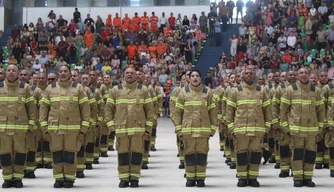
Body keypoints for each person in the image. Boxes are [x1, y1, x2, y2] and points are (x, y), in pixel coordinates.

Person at [39, 65, 90, 188]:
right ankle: (58, 178)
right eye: (60, 71)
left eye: (65, 71)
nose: (63, 73)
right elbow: (43, 109)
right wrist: (44, 127)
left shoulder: (78, 88)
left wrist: (84, 128)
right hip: (54, 129)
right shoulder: (50, 89)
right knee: (56, 155)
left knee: (70, 155)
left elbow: (85, 110)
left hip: (73, 130)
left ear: (69, 73)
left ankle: (69, 178)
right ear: (58, 73)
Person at [104, 68, 155, 188]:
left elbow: (150, 110)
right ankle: (123, 178)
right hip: (121, 130)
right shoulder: (116, 90)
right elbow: (108, 109)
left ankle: (135, 177)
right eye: (127, 73)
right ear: (123, 75)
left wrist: (148, 128)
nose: (130, 75)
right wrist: (111, 127)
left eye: (132, 73)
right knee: (123, 155)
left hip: (138, 130)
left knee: (137, 154)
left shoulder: (143, 90)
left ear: (136, 76)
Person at [226, 68, 272, 187]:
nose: (249, 75)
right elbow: (229, 112)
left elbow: (268, 111)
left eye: (251, 73)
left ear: (254, 76)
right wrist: (232, 128)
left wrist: (266, 128)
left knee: (256, 154)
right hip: (240, 131)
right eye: (246, 73)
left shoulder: (261, 91)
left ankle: (253, 177)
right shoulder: (236, 91)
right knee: (241, 154)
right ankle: (242, 177)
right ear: (242, 76)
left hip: (257, 130)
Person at [280, 68, 325, 187]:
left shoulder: (316, 90)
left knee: (310, 154)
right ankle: (298, 178)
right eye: (301, 73)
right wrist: (285, 127)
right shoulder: (290, 90)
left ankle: (308, 178)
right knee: (297, 154)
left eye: (306, 73)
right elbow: (283, 110)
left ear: (309, 75)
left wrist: (320, 127)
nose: (304, 75)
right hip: (296, 131)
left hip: (312, 131)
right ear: (297, 76)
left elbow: (321, 111)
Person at [174, 69, 217, 187]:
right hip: (188, 131)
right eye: (192, 76)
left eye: (197, 75)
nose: (195, 78)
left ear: (200, 78)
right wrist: (178, 128)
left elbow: (213, 112)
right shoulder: (183, 92)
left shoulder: (207, 92)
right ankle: (190, 178)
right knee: (189, 154)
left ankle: (201, 178)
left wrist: (213, 128)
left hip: (203, 131)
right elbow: (177, 112)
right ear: (189, 78)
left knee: (202, 155)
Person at [0, 65, 37, 188]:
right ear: (6, 73)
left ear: (17, 73)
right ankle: (7, 178)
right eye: (8, 70)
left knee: (20, 154)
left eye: (13, 70)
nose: (11, 72)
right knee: (5, 154)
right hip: (3, 129)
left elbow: (32, 108)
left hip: (21, 129)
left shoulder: (25, 88)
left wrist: (31, 124)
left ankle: (18, 178)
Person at [272, 70, 297, 178]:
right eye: (290, 74)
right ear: (286, 76)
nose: (292, 76)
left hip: (297, 124)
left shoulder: (299, 88)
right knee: (284, 147)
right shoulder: (280, 89)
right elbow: (274, 106)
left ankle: (295, 169)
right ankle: (284, 169)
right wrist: (276, 122)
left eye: (293, 74)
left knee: (297, 148)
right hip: (284, 123)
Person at [19, 70, 42, 179]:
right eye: (21, 75)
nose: (23, 77)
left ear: (30, 78)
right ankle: (19, 168)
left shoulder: (36, 91)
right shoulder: (15, 90)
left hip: (32, 125)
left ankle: (30, 169)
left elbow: (42, 108)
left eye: (25, 75)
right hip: (17, 125)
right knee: (18, 148)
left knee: (31, 148)